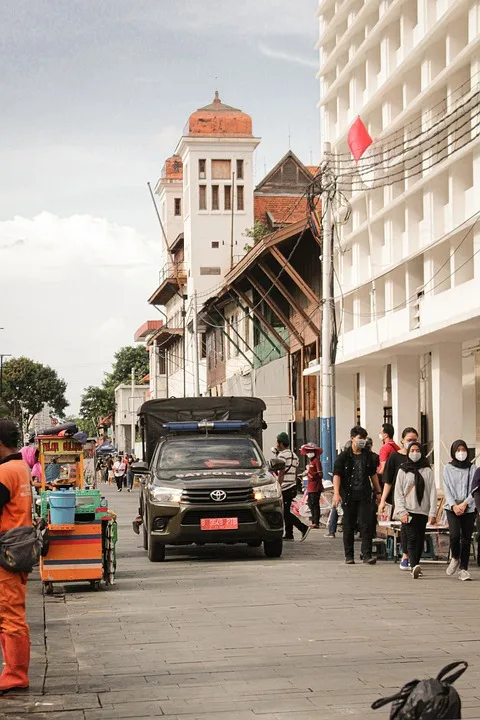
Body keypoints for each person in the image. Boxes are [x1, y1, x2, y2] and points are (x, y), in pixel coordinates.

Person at [0, 420, 33, 694]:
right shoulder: (21, 466)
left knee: (10, 614)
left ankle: (15, 675)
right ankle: (13, 670)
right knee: (11, 612)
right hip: (21, 547)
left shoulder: (4, 472)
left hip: (6, 551)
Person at [333, 426, 382, 565]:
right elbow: (337, 475)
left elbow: (373, 474)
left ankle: (366, 555)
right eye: (360, 438)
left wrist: (378, 492)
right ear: (352, 438)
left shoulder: (368, 455)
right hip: (348, 495)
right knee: (348, 525)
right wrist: (336, 493)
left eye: (364, 438)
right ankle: (349, 556)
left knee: (366, 524)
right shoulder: (344, 456)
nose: (362, 441)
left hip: (364, 495)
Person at [394, 441, 437, 579]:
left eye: (417, 450)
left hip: (422, 511)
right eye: (412, 450)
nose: (415, 453)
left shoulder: (427, 470)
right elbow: (398, 492)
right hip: (408, 510)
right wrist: (401, 511)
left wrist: (432, 512)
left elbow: (432, 492)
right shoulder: (402, 470)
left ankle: (416, 564)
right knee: (411, 538)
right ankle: (413, 565)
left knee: (419, 538)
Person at [378, 427, 419, 570]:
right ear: (402, 440)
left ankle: (413, 556)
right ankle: (406, 556)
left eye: (414, 440)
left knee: (416, 529)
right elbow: (388, 481)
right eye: (409, 440)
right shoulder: (395, 457)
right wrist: (382, 501)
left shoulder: (420, 457)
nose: (412, 443)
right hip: (401, 499)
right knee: (406, 527)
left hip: (418, 499)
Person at [443, 440, 476, 581]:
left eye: (463, 449)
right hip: (452, 508)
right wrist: (454, 505)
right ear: (453, 452)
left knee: (466, 539)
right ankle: (455, 557)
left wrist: (465, 504)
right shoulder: (447, 468)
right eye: (458, 450)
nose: (461, 452)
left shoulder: (473, 468)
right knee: (455, 536)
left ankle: (463, 568)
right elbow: (447, 489)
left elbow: (475, 488)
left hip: (468, 508)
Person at [273, 432, 309, 542]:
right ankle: (289, 534)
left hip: (285, 488)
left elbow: (281, 472)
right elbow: (295, 472)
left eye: (277, 442)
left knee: (285, 512)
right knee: (287, 510)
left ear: (280, 443)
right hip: (292, 486)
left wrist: (277, 486)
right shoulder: (294, 456)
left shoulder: (282, 456)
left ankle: (303, 527)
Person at [300, 443, 323, 529]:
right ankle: (313, 520)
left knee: (315, 504)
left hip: (315, 487)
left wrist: (312, 475)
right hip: (310, 486)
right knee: (310, 504)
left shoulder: (317, 461)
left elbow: (320, 474)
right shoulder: (311, 462)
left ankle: (316, 522)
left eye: (310, 451)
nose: (309, 453)